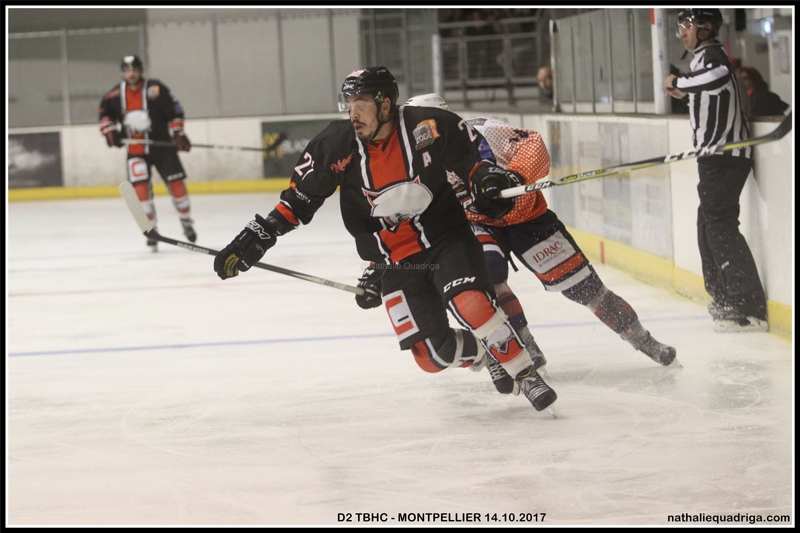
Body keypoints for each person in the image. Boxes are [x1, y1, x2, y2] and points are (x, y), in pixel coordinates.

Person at [212, 67, 557, 412]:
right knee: (432, 356)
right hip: (395, 257)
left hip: (445, 239)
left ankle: (526, 374)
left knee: (470, 303)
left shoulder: (428, 126)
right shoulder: (336, 145)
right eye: (349, 104)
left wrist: (486, 178)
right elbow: (299, 200)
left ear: (386, 105)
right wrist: (255, 237)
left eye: (361, 104)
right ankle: (487, 351)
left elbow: (471, 160)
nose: (353, 114)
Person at [405, 93, 678, 397]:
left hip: (527, 218)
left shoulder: (483, 129)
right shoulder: (414, 160)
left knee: (585, 289)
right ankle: (526, 347)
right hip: (476, 223)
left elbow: (531, 144)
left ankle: (641, 337)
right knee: (487, 274)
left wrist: (514, 176)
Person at [664, 9, 768, 332]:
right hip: (714, 159)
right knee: (707, 225)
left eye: (687, 25)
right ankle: (724, 298)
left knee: (719, 226)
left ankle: (748, 307)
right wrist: (685, 91)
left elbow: (721, 75)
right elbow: (709, 93)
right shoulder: (700, 59)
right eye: (680, 25)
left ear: (705, 27)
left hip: (725, 157)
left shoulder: (713, 56)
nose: (682, 31)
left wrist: (679, 82)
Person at [99, 54, 196, 251]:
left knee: (177, 185)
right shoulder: (115, 95)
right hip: (135, 151)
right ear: (123, 73)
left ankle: (186, 221)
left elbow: (175, 111)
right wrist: (110, 132)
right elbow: (104, 114)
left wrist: (178, 133)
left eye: (134, 69)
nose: (131, 73)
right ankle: (151, 229)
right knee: (141, 190)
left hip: (162, 147)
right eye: (127, 70)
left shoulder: (156, 89)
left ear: (141, 70)